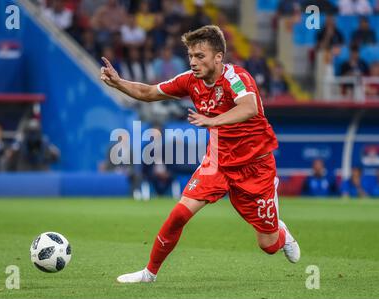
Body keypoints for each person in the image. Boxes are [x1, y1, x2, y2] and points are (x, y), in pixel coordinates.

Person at [100, 25, 300, 283]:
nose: (193, 62)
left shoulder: (236, 78)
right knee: (180, 213)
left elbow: (249, 107)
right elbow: (149, 92)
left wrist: (214, 121)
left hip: (256, 167)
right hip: (217, 162)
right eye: (191, 56)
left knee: (268, 244)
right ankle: (149, 273)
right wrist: (118, 83)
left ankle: (280, 231)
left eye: (200, 56)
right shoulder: (189, 80)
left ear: (218, 57)